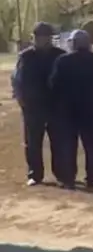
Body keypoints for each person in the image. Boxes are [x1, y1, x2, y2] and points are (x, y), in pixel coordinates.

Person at [48, 30, 93, 189]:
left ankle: (69, 178)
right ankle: (91, 177)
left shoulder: (63, 61)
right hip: (91, 108)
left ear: (73, 43)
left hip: (69, 110)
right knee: (91, 146)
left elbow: (54, 84)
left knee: (70, 145)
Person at [11, 22, 66, 187]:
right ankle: (35, 174)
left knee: (59, 140)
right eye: (39, 37)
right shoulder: (25, 56)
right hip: (32, 105)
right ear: (34, 38)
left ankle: (61, 173)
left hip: (55, 104)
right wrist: (19, 97)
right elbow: (17, 79)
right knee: (33, 141)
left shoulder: (60, 55)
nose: (42, 40)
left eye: (45, 36)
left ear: (50, 38)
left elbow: (68, 79)